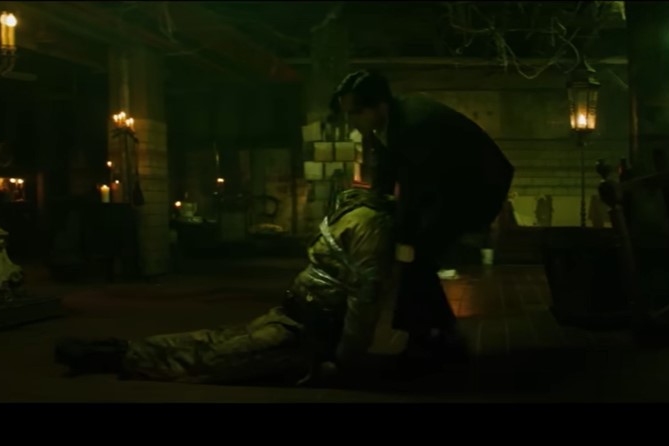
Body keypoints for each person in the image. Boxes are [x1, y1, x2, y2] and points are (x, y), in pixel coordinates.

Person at [54, 188, 395, 385]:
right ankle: (116, 349)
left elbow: (364, 299)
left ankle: (115, 357)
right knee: (214, 340)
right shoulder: (362, 215)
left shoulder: (371, 224)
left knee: (217, 357)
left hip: (308, 335)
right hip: (293, 316)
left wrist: (345, 361)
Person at [328, 70, 514, 361]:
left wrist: (403, 237)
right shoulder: (387, 123)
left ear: (379, 106)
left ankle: (429, 335)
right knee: (416, 258)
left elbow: (416, 189)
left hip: (475, 187)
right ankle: (433, 333)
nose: (352, 120)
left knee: (417, 254)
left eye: (356, 112)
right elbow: (387, 173)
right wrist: (374, 206)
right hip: (448, 184)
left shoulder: (414, 126)